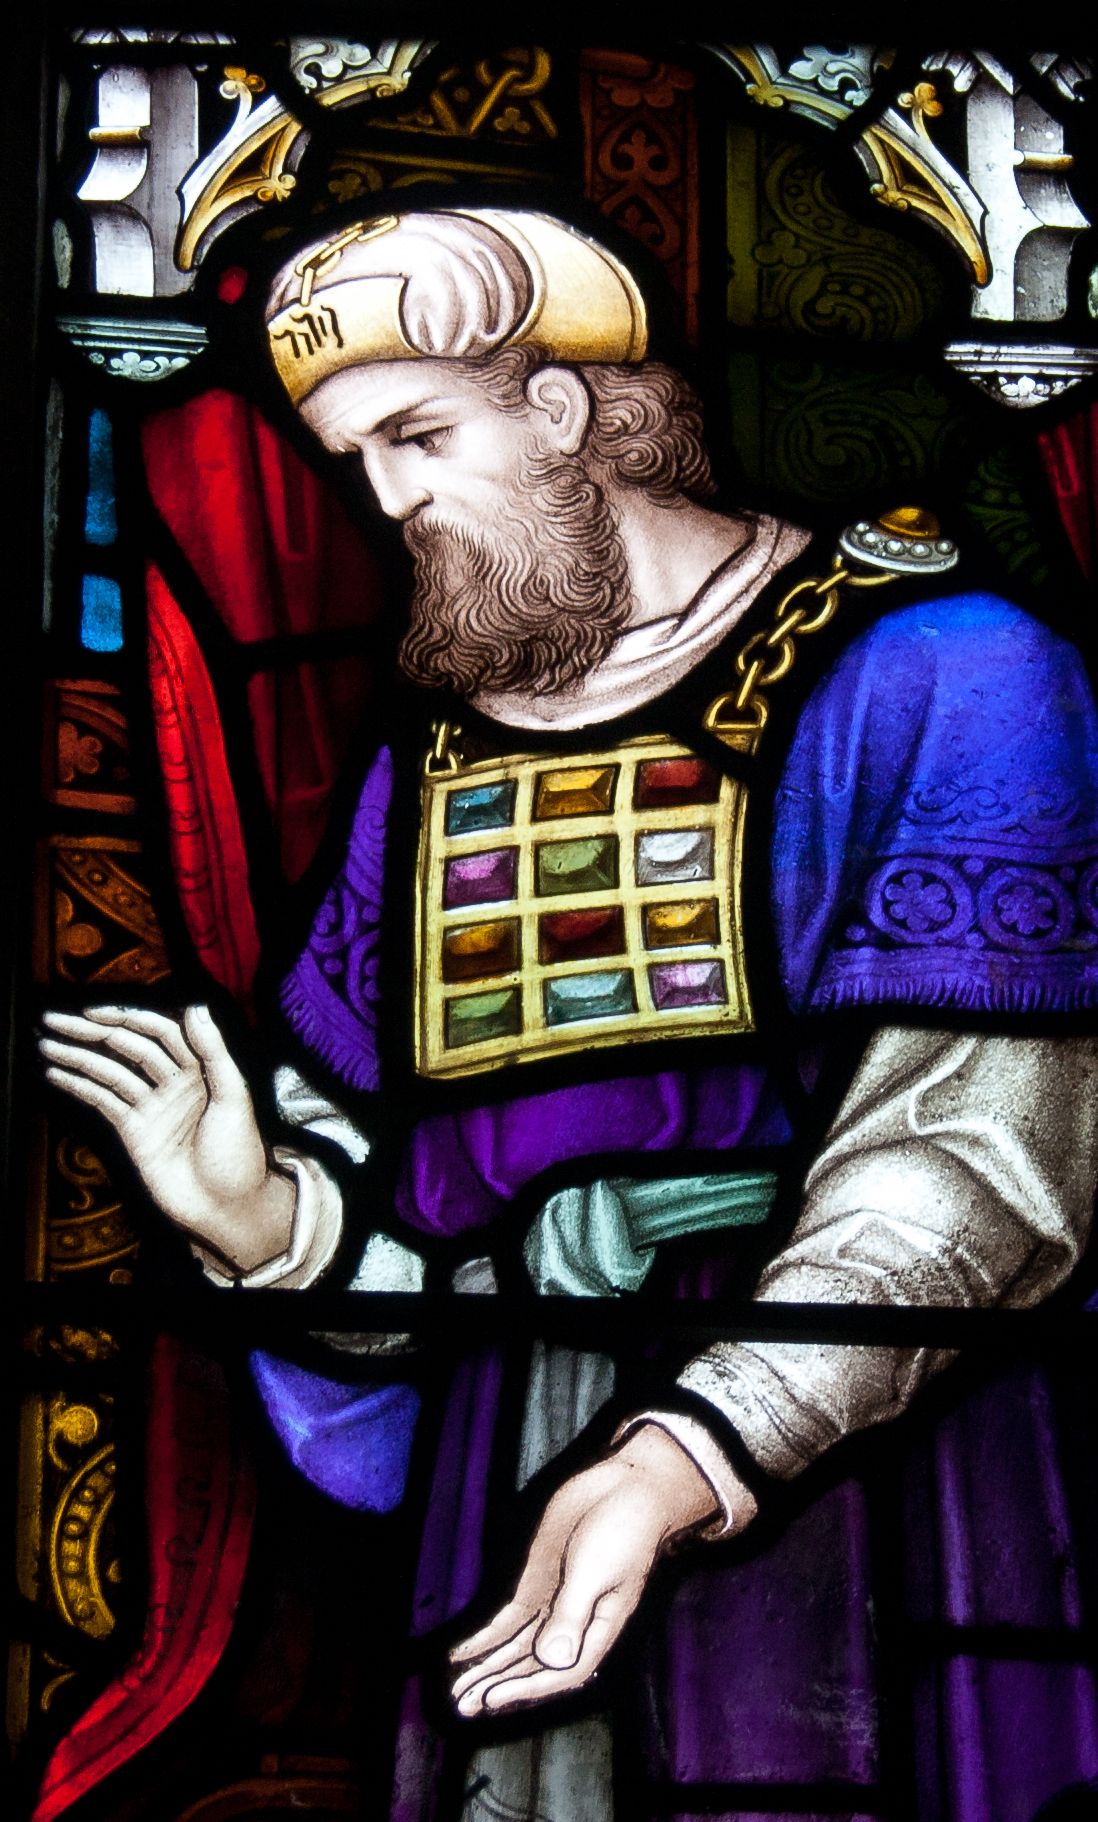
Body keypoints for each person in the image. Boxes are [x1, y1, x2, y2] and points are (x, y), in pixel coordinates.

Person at [40, 208, 1098, 1818]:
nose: (385, 498)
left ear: (562, 405)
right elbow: (416, 1224)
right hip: (513, 1454)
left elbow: (972, 1168)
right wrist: (270, 1224)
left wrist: (683, 1460)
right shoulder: (433, 767)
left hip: (863, 1475)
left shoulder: (942, 669)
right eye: (355, 455)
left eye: (417, 433)